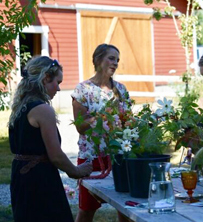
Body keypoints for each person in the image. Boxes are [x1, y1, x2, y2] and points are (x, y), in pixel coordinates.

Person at [8, 56, 93, 222]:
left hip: (21, 177)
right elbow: (56, 155)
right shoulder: (42, 109)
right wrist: (76, 171)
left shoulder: (21, 105)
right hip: (39, 180)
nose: (59, 89)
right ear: (46, 78)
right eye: (58, 82)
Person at [72, 43, 131, 222]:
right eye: (111, 58)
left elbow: (128, 123)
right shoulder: (82, 90)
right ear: (98, 60)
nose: (115, 63)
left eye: (117, 60)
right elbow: (80, 127)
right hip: (91, 158)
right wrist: (103, 114)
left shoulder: (121, 90)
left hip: (118, 158)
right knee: (86, 211)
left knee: (127, 211)